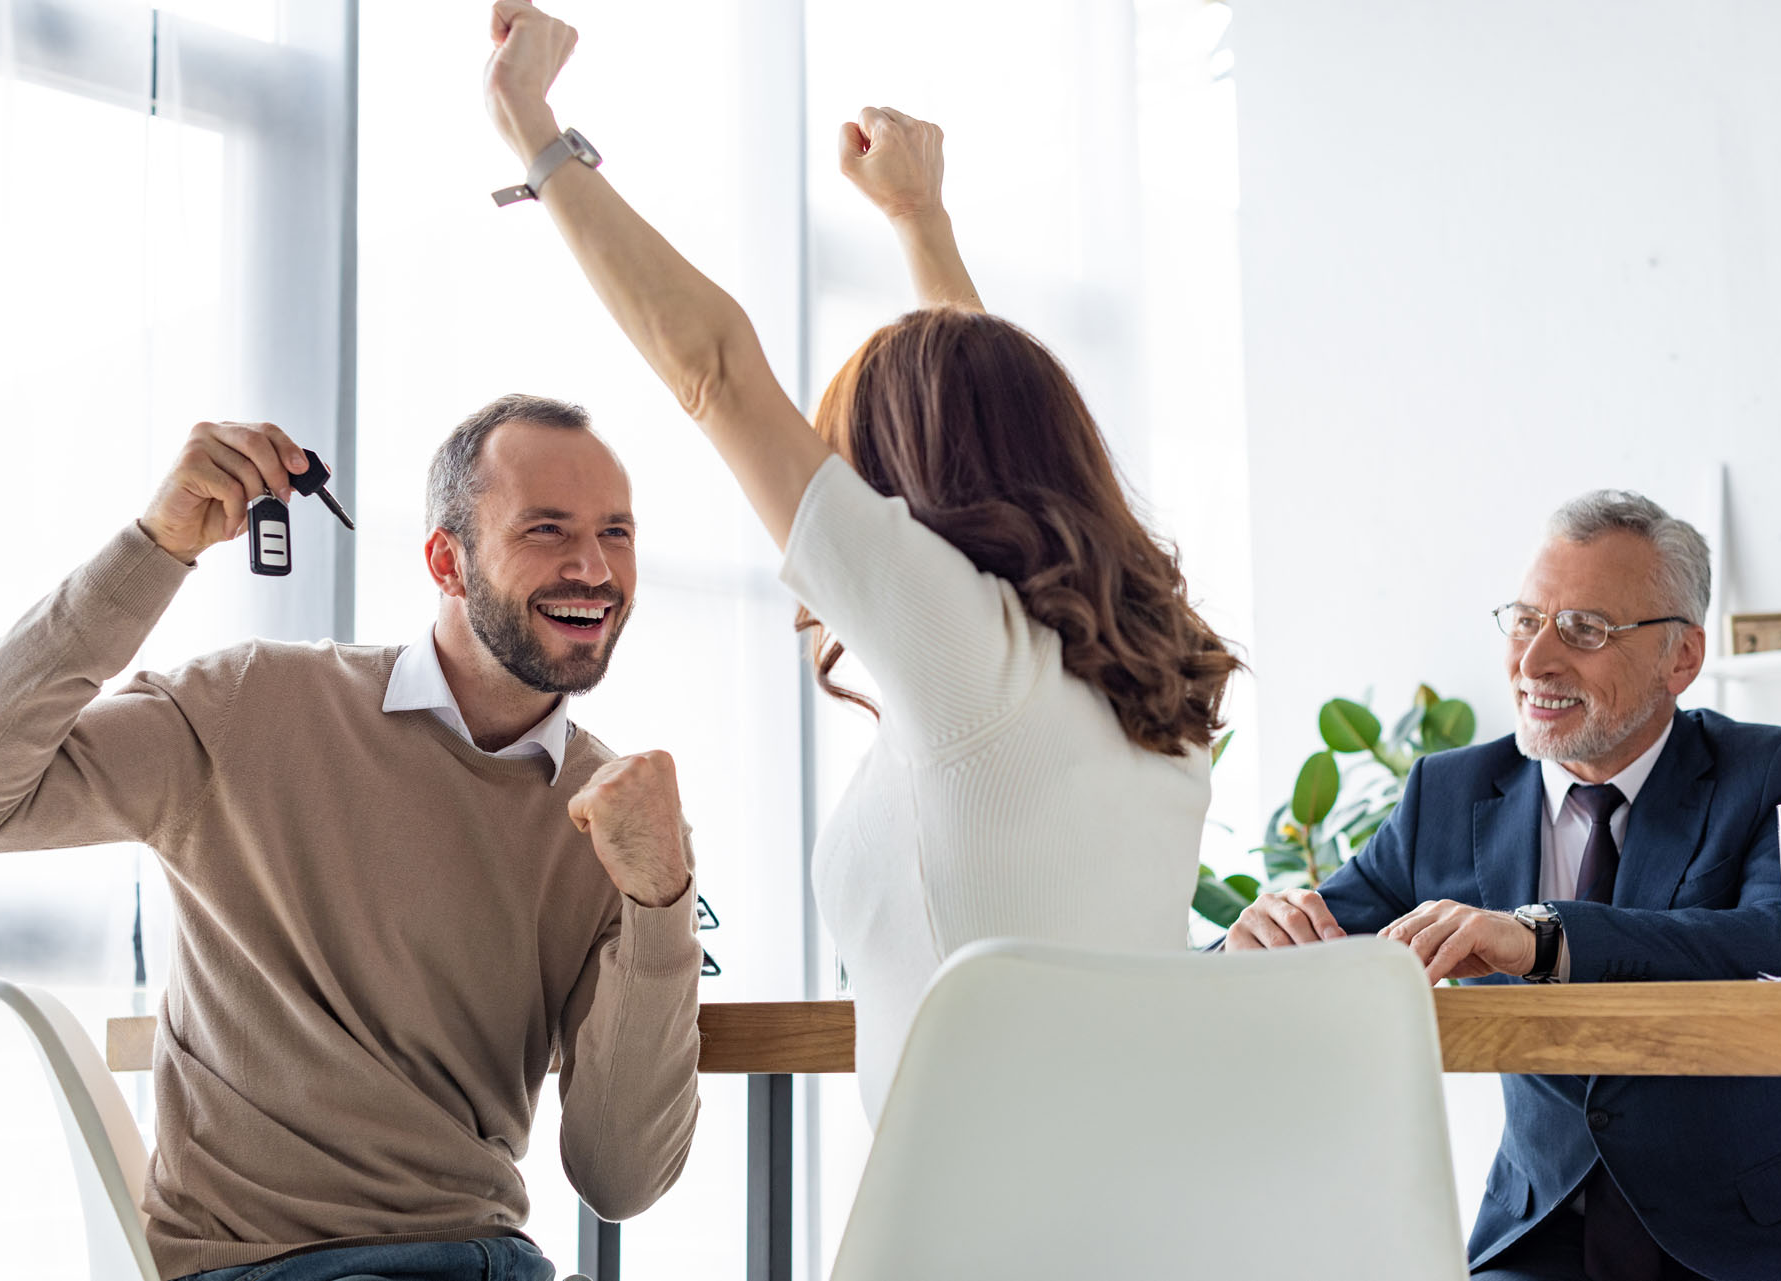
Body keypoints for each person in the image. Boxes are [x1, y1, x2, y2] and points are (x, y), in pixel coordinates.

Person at [482, 3, 1242, 1123]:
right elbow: (989, 405)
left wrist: (534, 133)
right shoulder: (1134, 698)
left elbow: (718, 373)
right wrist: (919, 221)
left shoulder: (969, 666)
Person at [0, 397, 703, 1281]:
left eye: (616, 533)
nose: (593, 568)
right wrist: (155, 546)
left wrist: (659, 901)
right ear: (449, 560)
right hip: (269, 1263)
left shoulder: (621, 823)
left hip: (494, 1260)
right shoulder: (249, 706)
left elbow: (620, 1179)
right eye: (547, 529)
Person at [1226, 490, 1781, 1281]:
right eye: (1523, 619)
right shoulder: (1445, 795)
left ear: (1681, 657)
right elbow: (1312, 945)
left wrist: (1541, 938)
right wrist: (1257, 939)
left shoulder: (1780, 771)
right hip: (1542, 1240)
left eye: (1585, 629)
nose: (1534, 660)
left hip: (1757, 1241)